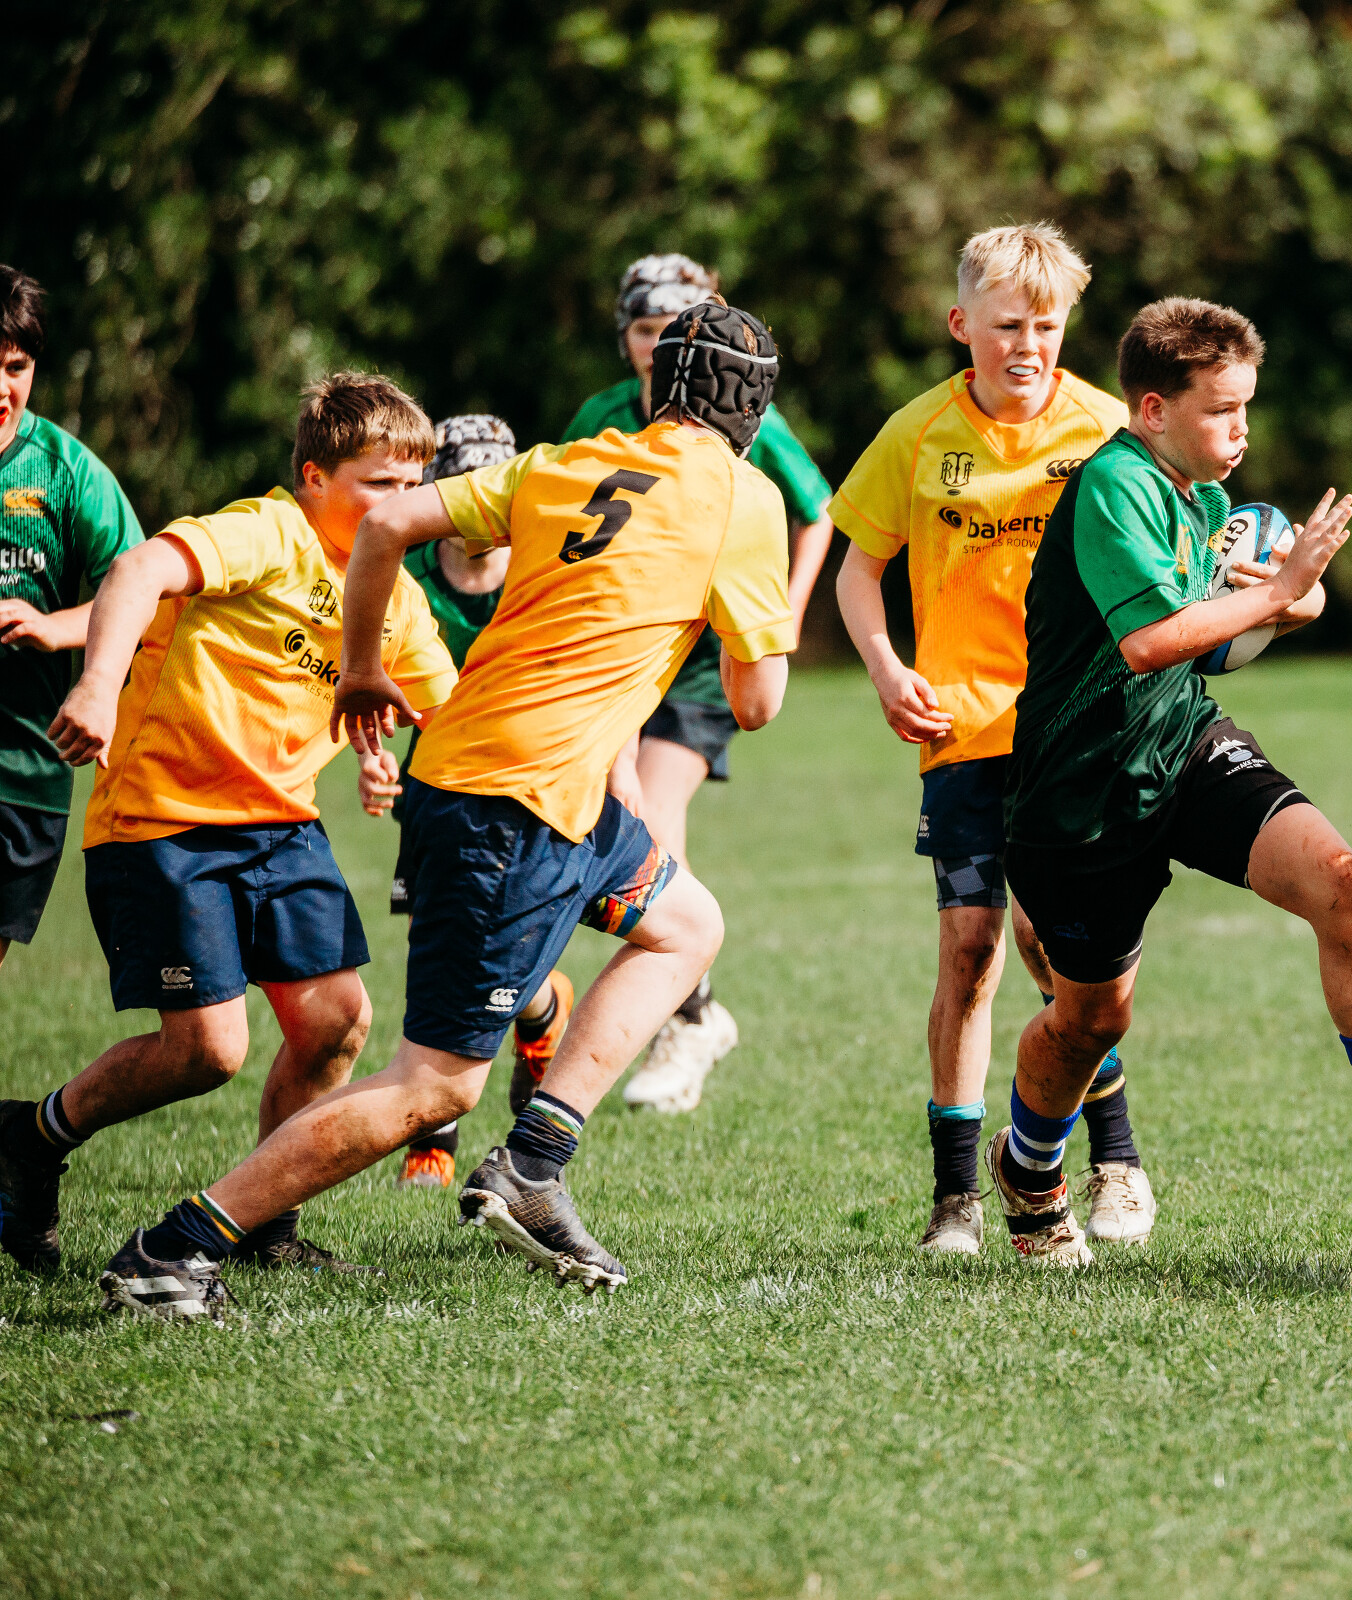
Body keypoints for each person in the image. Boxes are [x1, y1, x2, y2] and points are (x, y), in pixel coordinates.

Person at [86, 302, 795, 1320]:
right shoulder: (744, 495)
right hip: (516, 805)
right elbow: (757, 704)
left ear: (658, 390)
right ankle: (172, 1248)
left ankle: (534, 1164)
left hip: (517, 780)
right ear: (752, 414)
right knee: (435, 1086)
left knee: (687, 923)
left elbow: (387, 525)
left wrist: (360, 666)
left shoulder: (563, 461)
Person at [992, 296, 1352, 1268]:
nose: (1242, 431)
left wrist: (1286, 600)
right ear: (1154, 409)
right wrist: (1277, 592)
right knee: (1092, 1018)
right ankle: (1027, 1171)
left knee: (1343, 881)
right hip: (1079, 795)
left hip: (1183, 743)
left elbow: (1212, 643)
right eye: (1222, 410)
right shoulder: (1116, 485)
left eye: (1248, 408)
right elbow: (1150, 641)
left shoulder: (1198, 499)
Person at [0, 373, 455, 1282]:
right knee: (208, 1051)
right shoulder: (268, 532)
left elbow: (453, 712)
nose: (403, 505)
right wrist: (97, 685)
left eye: (415, 487)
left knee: (337, 1022)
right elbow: (136, 571)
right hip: (163, 821)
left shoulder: (396, 595)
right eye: (380, 484)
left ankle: (263, 1222)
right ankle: (30, 1137)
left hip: (283, 828)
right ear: (315, 477)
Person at [832, 223, 1157, 1255]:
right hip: (963, 725)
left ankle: (1115, 1163)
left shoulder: (1108, 429)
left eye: (1048, 326)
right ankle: (956, 1200)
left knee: (1060, 954)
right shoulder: (917, 433)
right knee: (969, 947)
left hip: (1074, 729)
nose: (1029, 345)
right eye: (1009, 325)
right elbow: (856, 568)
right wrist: (888, 669)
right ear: (960, 324)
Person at [562, 253, 835, 1114]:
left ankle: (687, 1014)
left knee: (651, 811)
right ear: (626, 337)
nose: (656, 346)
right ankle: (693, 1006)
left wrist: (782, 613)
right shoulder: (602, 416)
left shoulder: (744, 412)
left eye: (670, 331)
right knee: (609, 814)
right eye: (644, 330)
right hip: (626, 651)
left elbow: (818, 511)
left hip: (703, 660)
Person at [381, 415, 575, 1191]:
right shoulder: (407, 573)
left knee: (506, 961)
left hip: (521, 788)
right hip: (434, 788)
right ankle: (433, 1140)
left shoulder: (543, 566)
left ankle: (542, 1016)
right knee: (437, 952)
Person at [0, 265, 145, 970]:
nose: (2, 389)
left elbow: (143, 591)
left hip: (24, 773)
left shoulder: (67, 472)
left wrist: (55, 627)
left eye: (16, 368)